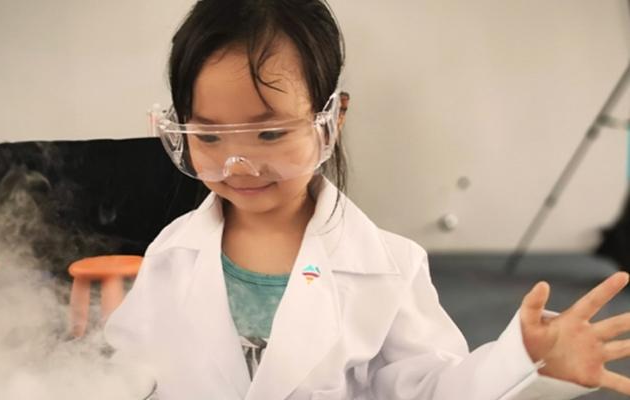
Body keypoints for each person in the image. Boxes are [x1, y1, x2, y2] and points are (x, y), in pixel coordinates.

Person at [104, 1, 630, 398]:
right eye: (211, 137)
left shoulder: (389, 267)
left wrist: (521, 358)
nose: (239, 166)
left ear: (332, 118)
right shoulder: (173, 252)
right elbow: (130, 371)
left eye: (269, 135)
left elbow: (430, 388)